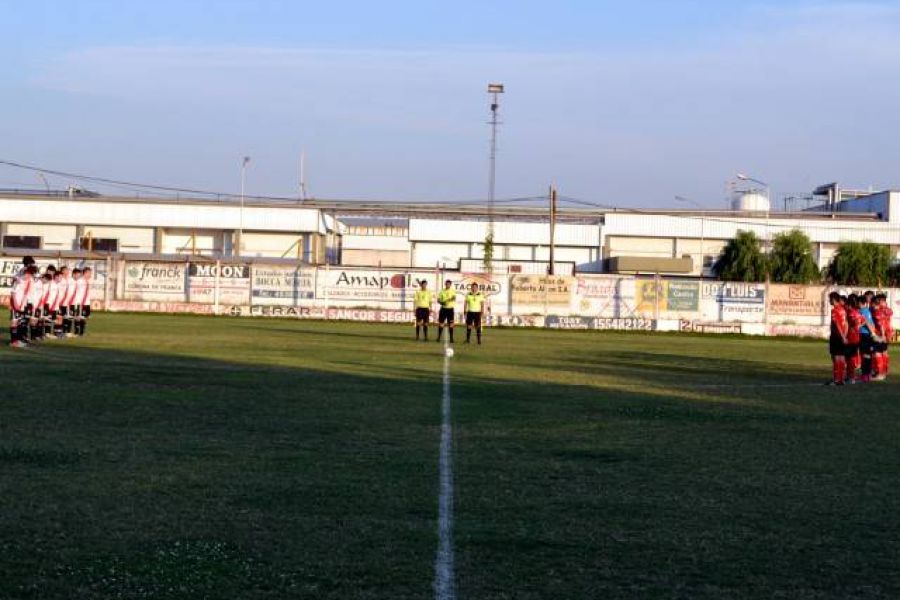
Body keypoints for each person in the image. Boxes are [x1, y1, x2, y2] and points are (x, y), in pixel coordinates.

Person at [8, 265, 37, 347]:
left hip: (22, 304)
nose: (30, 276)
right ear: (26, 273)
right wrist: (15, 304)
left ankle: (18, 340)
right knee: (14, 321)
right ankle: (13, 342)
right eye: (30, 274)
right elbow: (13, 293)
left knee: (20, 321)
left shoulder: (28, 281)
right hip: (16, 303)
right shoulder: (19, 281)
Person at [826, 291, 848, 386]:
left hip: (836, 336)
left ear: (833, 299)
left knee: (835, 358)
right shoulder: (843, 309)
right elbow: (846, 323)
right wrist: (845, 335)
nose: (829, 301)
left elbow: (837, 324)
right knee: (842, 358)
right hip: (842, 336)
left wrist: (842, 336)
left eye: (830, 299)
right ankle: (841, 379)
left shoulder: (834, 310)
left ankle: (836, 380)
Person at [871, 293, 893, 381]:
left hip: (882, 334)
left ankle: (881, 373)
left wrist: (882, 335)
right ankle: (884, 371)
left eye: (880, 300)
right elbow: (890, 313)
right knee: (884, 351)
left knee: (878, 352)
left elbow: (881, 324)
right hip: (886, 333)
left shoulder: (879, 311)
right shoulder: (885, 310)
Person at [844, 294, 865, 383]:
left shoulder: (851, 313)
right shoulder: (858, 312)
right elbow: (863, 321)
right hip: (856, 337)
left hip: (851, 337)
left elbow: (853, 324)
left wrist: (853, 327)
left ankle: (851, 377)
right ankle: (849, 376)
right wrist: (858, 326)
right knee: (850, 357)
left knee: (849, 358)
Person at [857, 291, 876, 381]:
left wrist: (858, 326)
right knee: (867, 355)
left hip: (865, 334)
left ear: (861, 303)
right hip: (867, 334)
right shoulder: (867, 310)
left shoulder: (862, 311)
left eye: (858, 303)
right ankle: (867, 375)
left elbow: (866, 322)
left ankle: (865, 375)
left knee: (865, 355)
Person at [74, 267, 93, 336]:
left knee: (85, 317)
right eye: (89, 273)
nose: (90, 275)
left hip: (86, 302)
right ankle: (78, 332)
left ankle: (81, 332)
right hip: (80, 302)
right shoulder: (79, 281)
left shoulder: (88, 281)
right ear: (85, 273)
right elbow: (75, 291)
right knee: (79, 317)